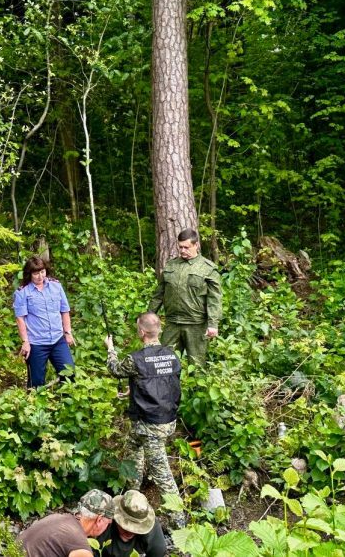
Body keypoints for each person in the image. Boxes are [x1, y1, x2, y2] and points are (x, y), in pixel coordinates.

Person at [105, 312, 185, 528]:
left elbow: (115, 369)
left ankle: (179, 524)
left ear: (141, 332)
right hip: (164, 419)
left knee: (162, 475)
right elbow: (163, 383)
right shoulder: (172, 355)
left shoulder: (136, 359)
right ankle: (131, 496)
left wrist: (110, 348)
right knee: (133, 450)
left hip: (151, 425)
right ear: (159, 330)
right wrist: (134, 391)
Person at [149, 228, 222, 366]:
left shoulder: (208, 268)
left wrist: (213, 324)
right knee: (164, 362)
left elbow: (214, 299)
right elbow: (159, 294)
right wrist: (149, 315)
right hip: (172, 323)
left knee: (197, 365)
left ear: (196, 245)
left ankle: (196, 381)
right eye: (180, 247)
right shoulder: (171, 265)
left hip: (196, 324)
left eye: (186, 247)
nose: (182, 251)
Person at [13, 255, 75, 388]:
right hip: (36, 343)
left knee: (69, 373)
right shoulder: (22, 292)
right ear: (29, 274)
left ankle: (65, 398)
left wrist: (68, 332)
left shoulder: (56, 286)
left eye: (42, 272)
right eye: (36, 273)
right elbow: (20, 318)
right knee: (36, 383)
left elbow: (65, 310)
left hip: (58, 340)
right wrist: (25, 342)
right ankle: (35, 400)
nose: (40, 276)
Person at [18, 489, 114, 557]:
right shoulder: (78, 544)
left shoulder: (58, 518)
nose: (107, 527)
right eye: (108, 523)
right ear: (99, 520)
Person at [95, 490, 167, 557]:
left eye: (136, 528)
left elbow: (157, 552)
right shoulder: (104, 524)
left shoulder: (153, 539)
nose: (130, 532)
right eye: (125, 527)